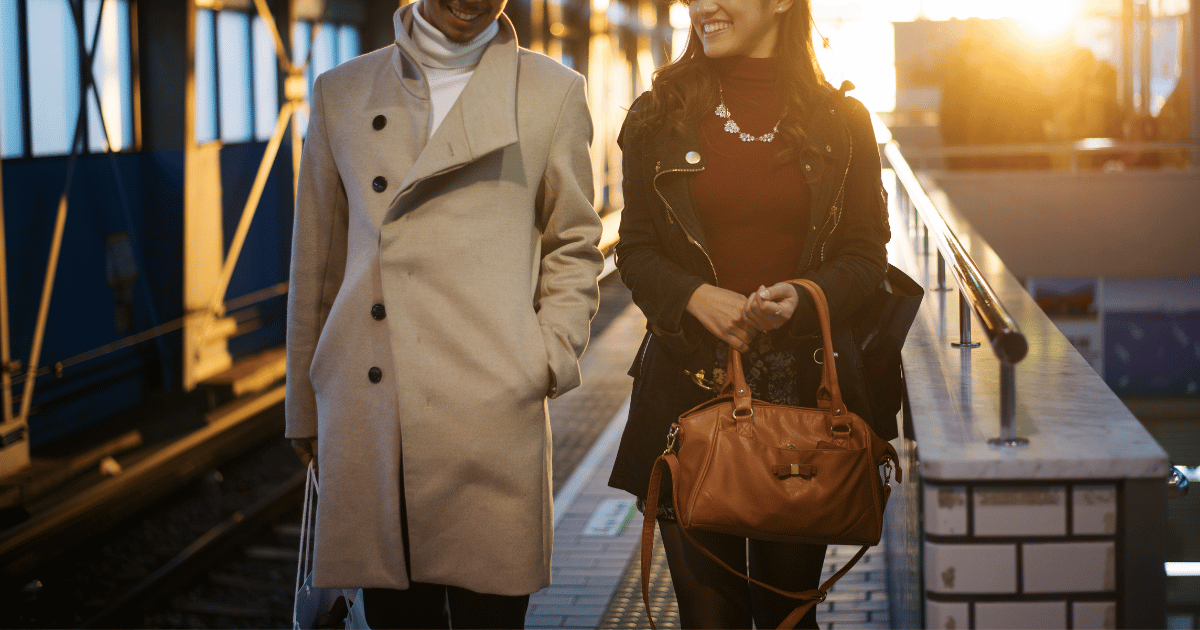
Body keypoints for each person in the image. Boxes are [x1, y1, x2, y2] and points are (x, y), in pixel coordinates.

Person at [284, 0, 604, 626]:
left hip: (490, 410)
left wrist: (545, 357)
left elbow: (573, 243)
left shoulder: (550, 92)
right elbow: (316, 263)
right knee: (400, 619)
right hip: (377, 408)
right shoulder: (341, 92)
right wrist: (305, 404)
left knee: (492, 617)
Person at [605, 0, 893, 626]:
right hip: (686, 398)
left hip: (802, 402)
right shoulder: (658, 116)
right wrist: (691, 295)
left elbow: (867, 254)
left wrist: (804, 293)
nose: (701, 6)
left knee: (788, 616)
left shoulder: (841, 121)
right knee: (710, 619)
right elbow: (636, 248)